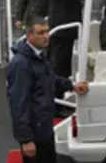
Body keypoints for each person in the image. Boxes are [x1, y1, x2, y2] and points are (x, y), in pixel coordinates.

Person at [7, 17, 89, 163]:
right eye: (41, 32)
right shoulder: (21, 64)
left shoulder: (38, 56)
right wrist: (26, 140)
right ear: (29, 36)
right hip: (35, 134)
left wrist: (72, 86)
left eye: (47, 31)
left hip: (44, 128)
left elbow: (50, 79)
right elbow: (18, 103)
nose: (46, 36)